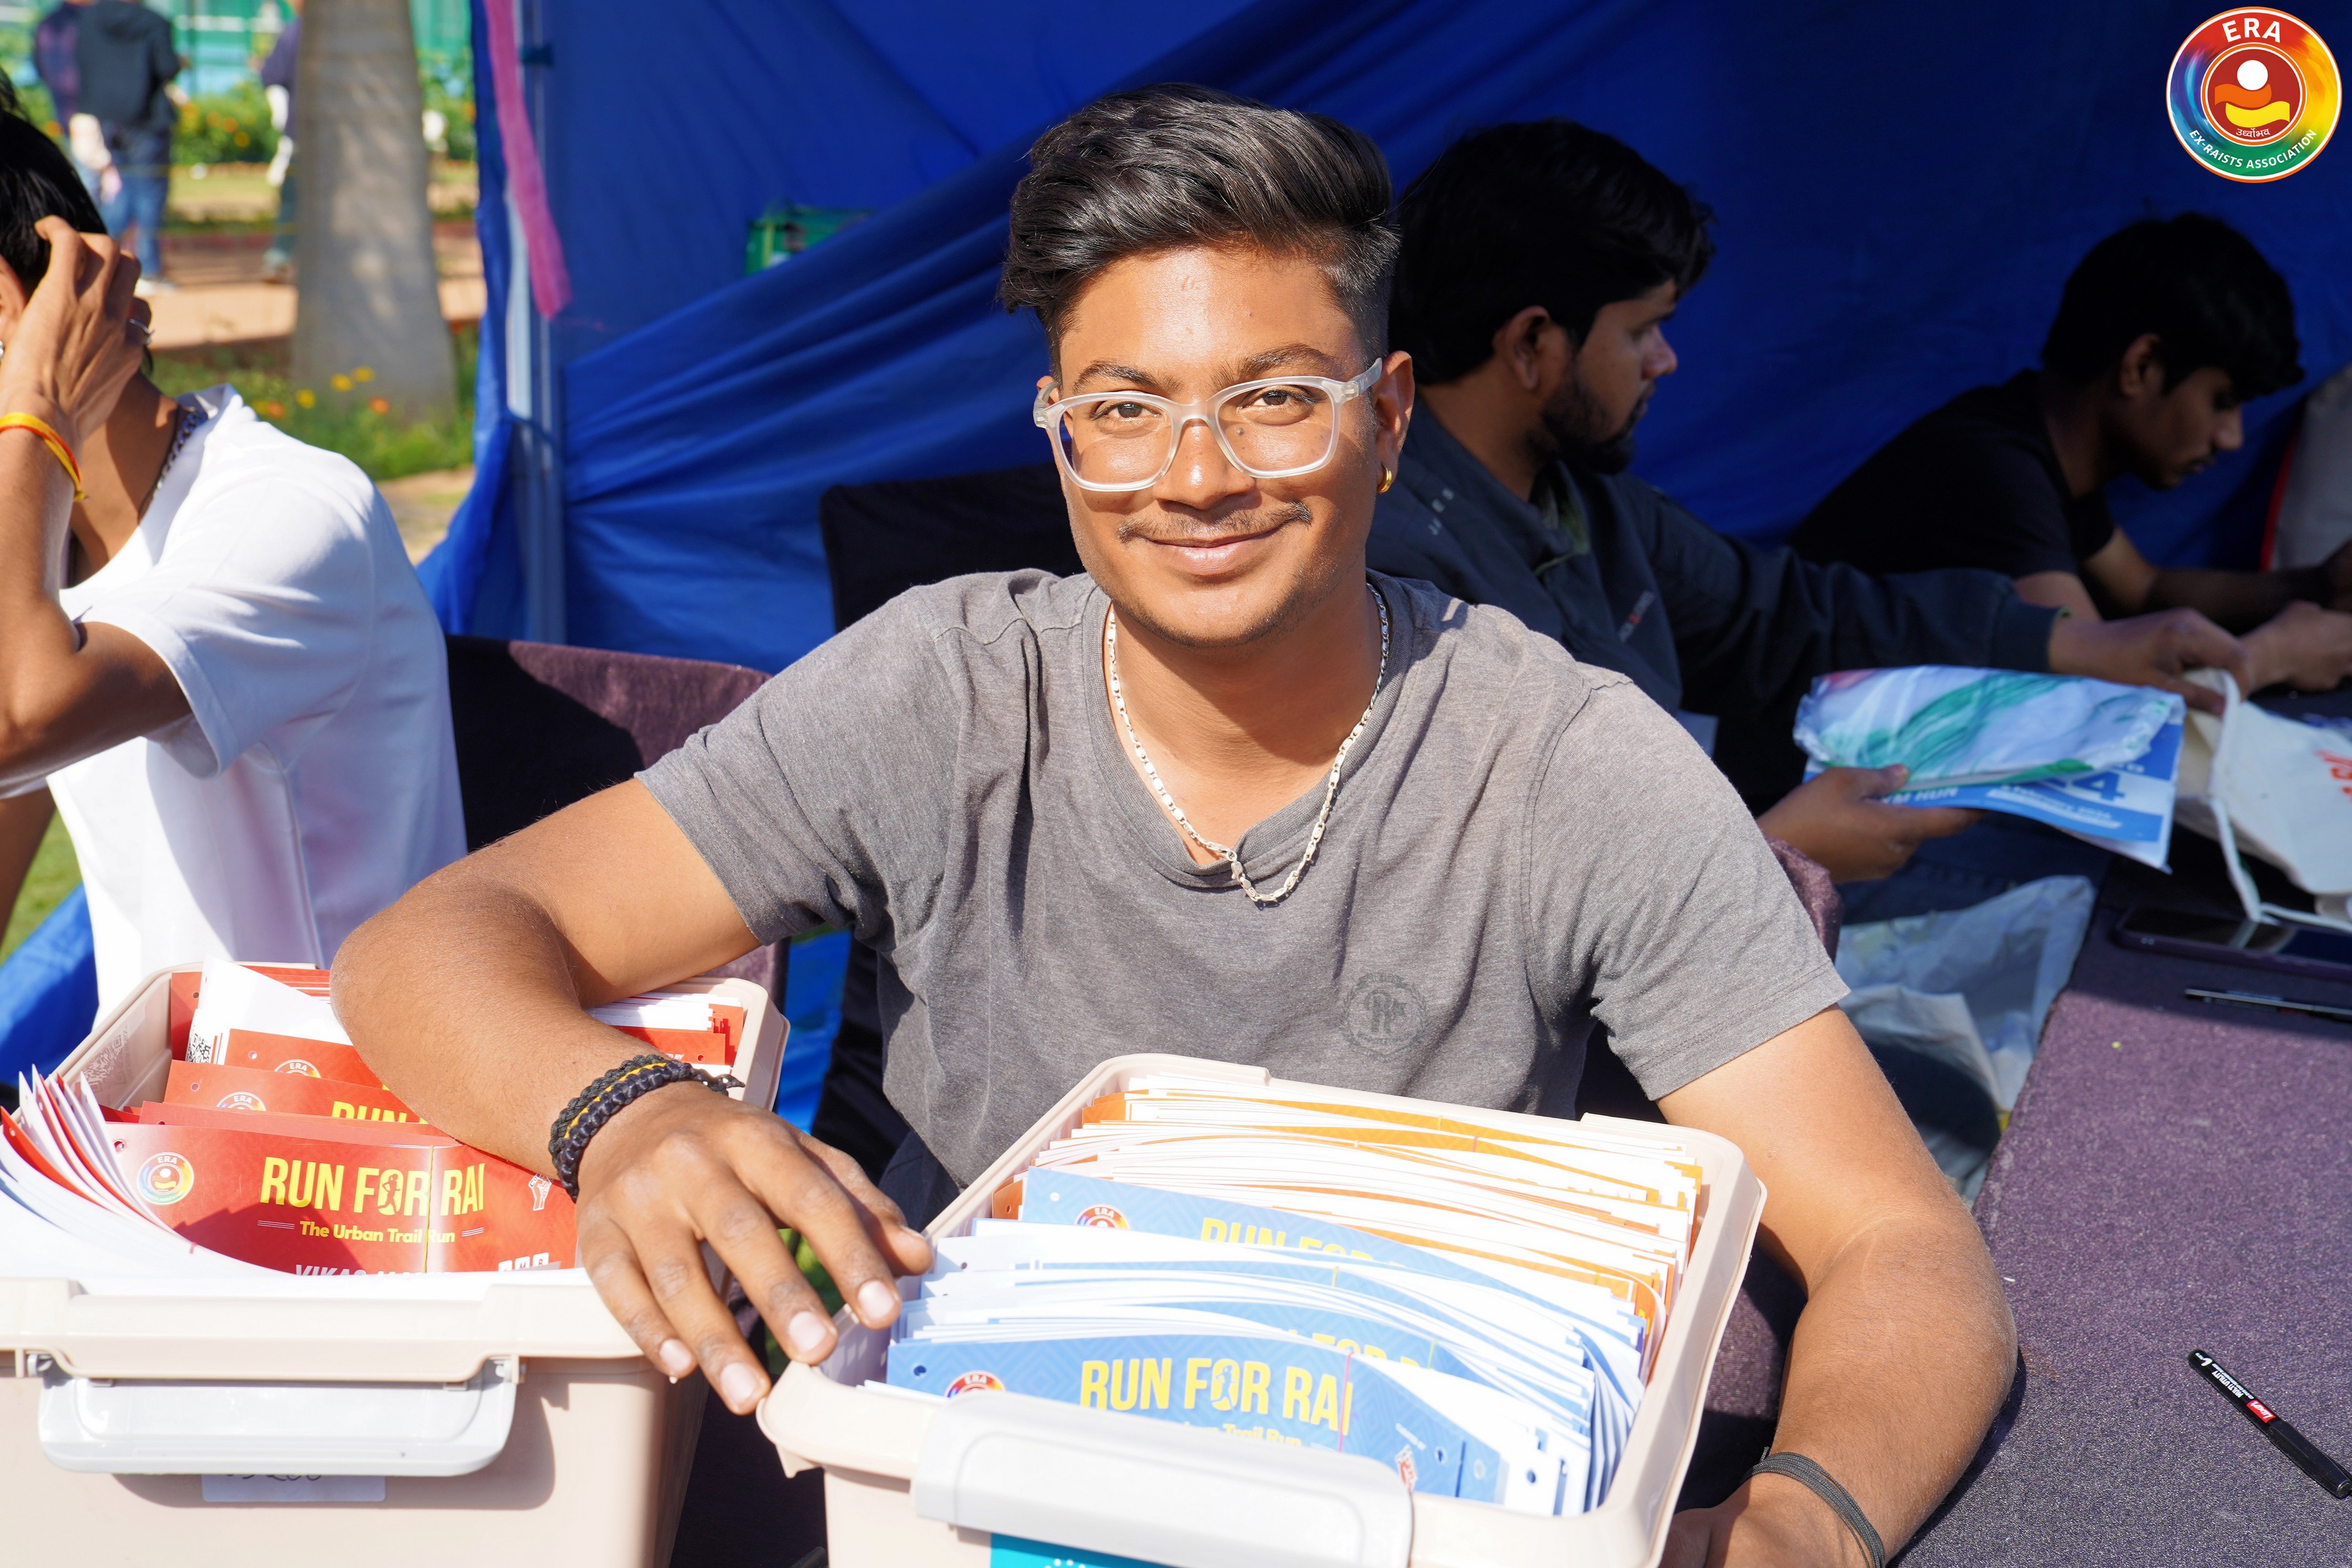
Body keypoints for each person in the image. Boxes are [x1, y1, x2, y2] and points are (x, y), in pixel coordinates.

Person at [336, 86, 2015, 1565]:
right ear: (1058, 433)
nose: (1194, 476)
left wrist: (1802, 1518)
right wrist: (626, 1116)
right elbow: (436, 941)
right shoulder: (939, 691)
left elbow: (1895, 1239)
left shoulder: (1571, 765)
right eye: (1123, 409)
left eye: (1274, 398)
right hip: (941, 1494)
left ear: (1390, 417)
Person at [1368, 121, 2255, 879]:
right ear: (1532, 342)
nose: (1665, 361)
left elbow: (1785, 616)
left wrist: (2073, 644)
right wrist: (1776, 856)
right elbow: (1477, 914)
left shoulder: (1588, 502)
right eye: (1644, 330)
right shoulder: (1395, 582)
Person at [0, 108, 465, 1011]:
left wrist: (41, 403)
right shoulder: (46, 559)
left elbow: (15, 718)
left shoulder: (283, 513)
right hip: (157, 1096)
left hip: (324, 1095)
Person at [1790, 214, 2352, 695]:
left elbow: (2143, 590)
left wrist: (2315, 586)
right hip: (1792, 763)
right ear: (2140, 367)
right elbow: (2095, 697)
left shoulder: (2042, 446)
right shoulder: (1992, 472)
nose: (2231, 437)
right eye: (2222, 402)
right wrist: (2270, 658)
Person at [69, 0, 176, 291]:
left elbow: (80, 62)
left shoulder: (89, 19)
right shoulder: (155, 22)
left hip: (107, 116)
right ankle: (149, 269)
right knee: (149, 193)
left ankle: (98, 262)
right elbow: (167, 66)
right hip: (147, 119)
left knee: (119, 187)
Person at [29, 1, 94, 195]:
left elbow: (39, 65)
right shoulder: (87, 20)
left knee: (82, 162)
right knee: (90, 167)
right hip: (86, 104)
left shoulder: (48, 23)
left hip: (64, 101)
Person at [257, 1, 299, 282]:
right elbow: (273, 78)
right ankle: (280, 259)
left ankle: (280, 259)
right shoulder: (296, 31)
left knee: (294, 199)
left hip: (304, 133)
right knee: (294, 197)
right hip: (305, 134)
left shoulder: (296, 32)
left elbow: (272, 76)